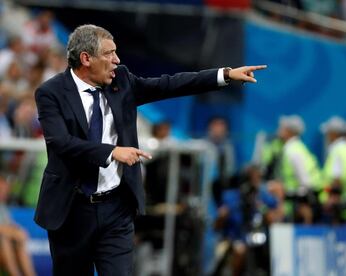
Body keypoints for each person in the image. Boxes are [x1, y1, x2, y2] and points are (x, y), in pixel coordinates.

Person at [34, 24, 266, 276]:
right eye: (109, 54)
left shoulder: (121, 80)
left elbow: (169, 85)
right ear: (86, 59)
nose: (117, 60)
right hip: (71, 211)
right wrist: (112, 152)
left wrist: (225, 75)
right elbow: (60, 143)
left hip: (116, 209)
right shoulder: (51, 93)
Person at [0, 176, 36, 276]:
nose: (4, 192)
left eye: (5, 189)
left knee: (18, 244)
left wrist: (18, 231)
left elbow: (10, 224)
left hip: (7, 247)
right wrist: (14, 233)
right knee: (5, 240)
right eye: (1, 189)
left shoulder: (3, 207)